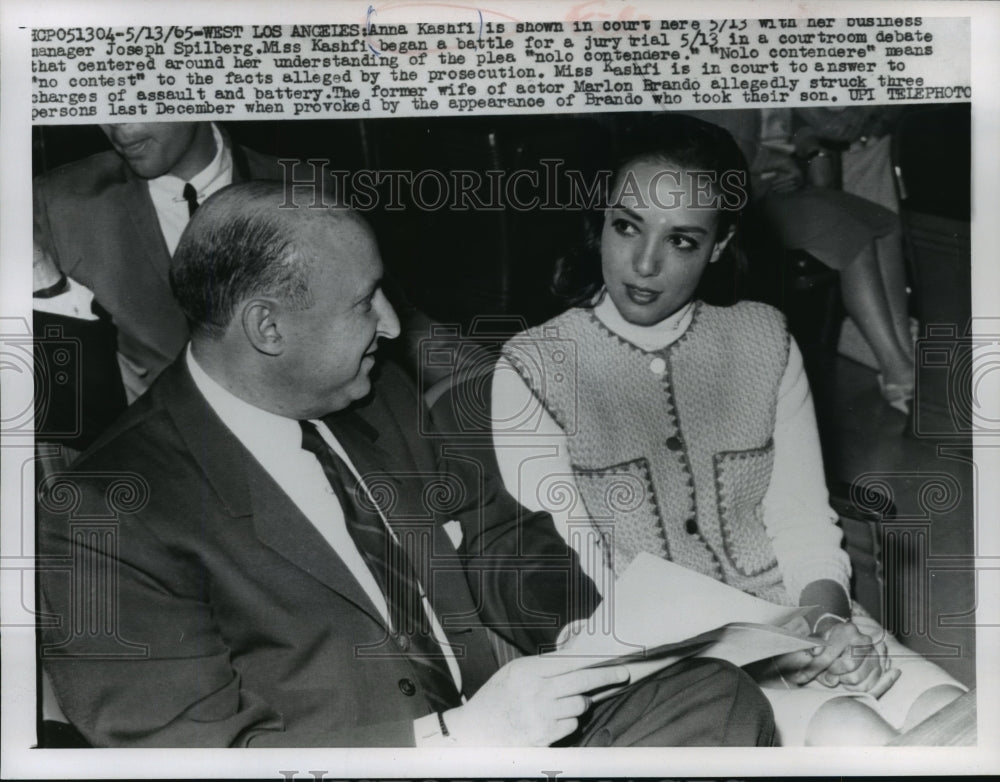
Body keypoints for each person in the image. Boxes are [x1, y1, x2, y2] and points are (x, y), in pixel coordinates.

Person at [37, 180, 775, 748]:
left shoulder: (375, 395)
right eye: (365, 303)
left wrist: (581, 634)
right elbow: (182, 756)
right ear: (267, 327)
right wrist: (451, 742)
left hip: (507, 732)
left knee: (716, 696)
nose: (392, 325)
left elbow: (499, 536)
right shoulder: (106, 512)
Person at [491, 114, 965, 746]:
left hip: (803, 621)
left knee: (962, 714)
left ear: (718, 244)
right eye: (627, 226)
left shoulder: (764, 338)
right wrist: (770, 652)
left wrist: (827, 626)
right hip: (663, 672)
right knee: (853, 731)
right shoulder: (533, 367)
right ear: (599, 219)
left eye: (682, 241)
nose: (645, 263)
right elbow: (583, 586)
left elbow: (803, 526)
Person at [33, 122, 286, 401]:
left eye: (139, 100)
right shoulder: (50, 201)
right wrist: (80, 365)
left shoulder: (313, 187)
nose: (119, 127)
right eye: (102, 103)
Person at [713, 108, 915, 414]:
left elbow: (793, 130)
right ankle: (897, 373)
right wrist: (777, 162)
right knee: (850, 236)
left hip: (783, 188)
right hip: (746, 199)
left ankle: (903, 353)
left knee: (885, 223)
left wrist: (809, 151)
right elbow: (722, 148)